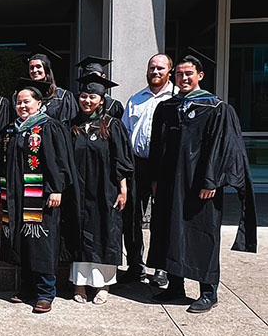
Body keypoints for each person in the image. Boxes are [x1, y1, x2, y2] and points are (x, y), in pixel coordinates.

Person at [148, 55, 257, 314]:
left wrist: (212, 180)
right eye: (179, 74)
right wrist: (154, 178)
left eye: (189, 74)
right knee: (170, 233)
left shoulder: (216, 108)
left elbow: (224, 149)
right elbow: (156, 146)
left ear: (200, 76)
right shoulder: (166, 107)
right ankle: (175, 287)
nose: (184, 78)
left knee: (202, 235)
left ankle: (208, 292)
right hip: (169, 183)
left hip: (200, 185)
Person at [0, 82, 79, 313]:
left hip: (41, 197)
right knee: (22, 240)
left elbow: (58, 161)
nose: (22, 106)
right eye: (18, 102)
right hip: (15, 197)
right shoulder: (10, 131)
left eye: (26, 101)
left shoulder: (49, 128)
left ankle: (46, 293)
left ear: (39, 103)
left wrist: (56, 189)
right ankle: (26, 287)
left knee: (42, 243)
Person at [68, 74, 134, 305]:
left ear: (102, 100)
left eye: (92, 96)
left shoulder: (112, 125)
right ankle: (79, 284)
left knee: (106, 233)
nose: (87, 100)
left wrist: (123, 189)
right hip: (77, 191)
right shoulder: (72, 126)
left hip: (104, 190)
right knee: (78, 234)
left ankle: (103, 285)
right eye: (84, 96)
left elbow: (121, 160)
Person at [119, 53, 177, 286]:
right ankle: (135, 265)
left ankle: (161, 268)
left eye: (160, 68)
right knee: (132, 218)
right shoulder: (136, 99)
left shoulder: (176, 98)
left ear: (169, 72)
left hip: (164, 166)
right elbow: (124, 134)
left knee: (161, 219)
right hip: (137, 164)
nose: (155, 72)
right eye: (152, 68)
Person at [23, 53, 78, 126]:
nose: (34, 70)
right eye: (31, 67)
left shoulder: (63, 96)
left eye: (38, 66)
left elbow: (67, 125)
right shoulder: (24, 95)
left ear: (46, 69)